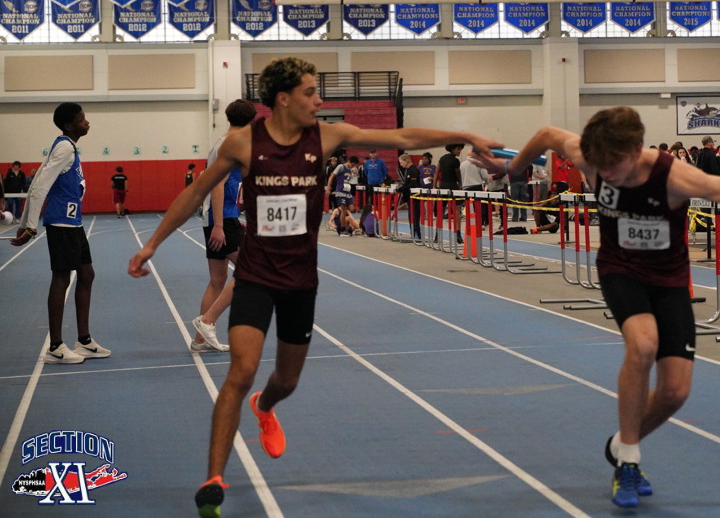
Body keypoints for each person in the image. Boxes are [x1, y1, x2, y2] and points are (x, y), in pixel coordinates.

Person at [126, 57, 497, 517]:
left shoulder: (327, 136)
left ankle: (266, 405)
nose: (319, 100)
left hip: (300, 280)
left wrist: (465, 135)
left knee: (286, 380)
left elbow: (402, 138)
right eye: (310, 92)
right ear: (284, 99)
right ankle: (213, 480)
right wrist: (152, 244)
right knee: (241, 370)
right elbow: (196, 193)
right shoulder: (242, 142)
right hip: (257, 275)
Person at [474, 106, 720, 509]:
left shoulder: (676, 177)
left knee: (675, 392)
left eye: (615, 166)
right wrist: (511, 168)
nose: (606, 174)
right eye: (600, 166)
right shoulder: (591, 154)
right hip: (620, 268)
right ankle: (629, 460)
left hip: (669, 279)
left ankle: (620, 443)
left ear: (637, 149)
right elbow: (547, 134)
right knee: (643, 344)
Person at [11, 103, 111, 365]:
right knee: (61, 277)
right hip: (61, 223)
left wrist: (24, 221)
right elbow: (39, 187)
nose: (87, 122)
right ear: (69, 125)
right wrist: (30, 226)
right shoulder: (65, 147)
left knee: (86, 274)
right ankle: (55, 346)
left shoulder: (66, 146)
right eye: (81, 119)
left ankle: (84, 341)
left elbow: (36, 182)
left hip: (73, 223)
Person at [191, 99, 257, 353]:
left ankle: (200, 340)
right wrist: (220, 224)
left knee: (218, 279)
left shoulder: (220, 142)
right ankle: (207, 321)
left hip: (218, 216)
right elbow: (218, 184)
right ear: (251, 121)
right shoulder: (233, 145)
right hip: (221, 218)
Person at [397, 153, 422, 238]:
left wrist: (402, 188)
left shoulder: (414, 170)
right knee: (411, 216)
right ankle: (413, 234)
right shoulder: (406, 170)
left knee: (415, 217)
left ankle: (417, 235)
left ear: (406, 161)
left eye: (401, 162)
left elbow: (413, 184)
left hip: (415, 197)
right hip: (409, 197)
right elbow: (407, 183)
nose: (401, 164)